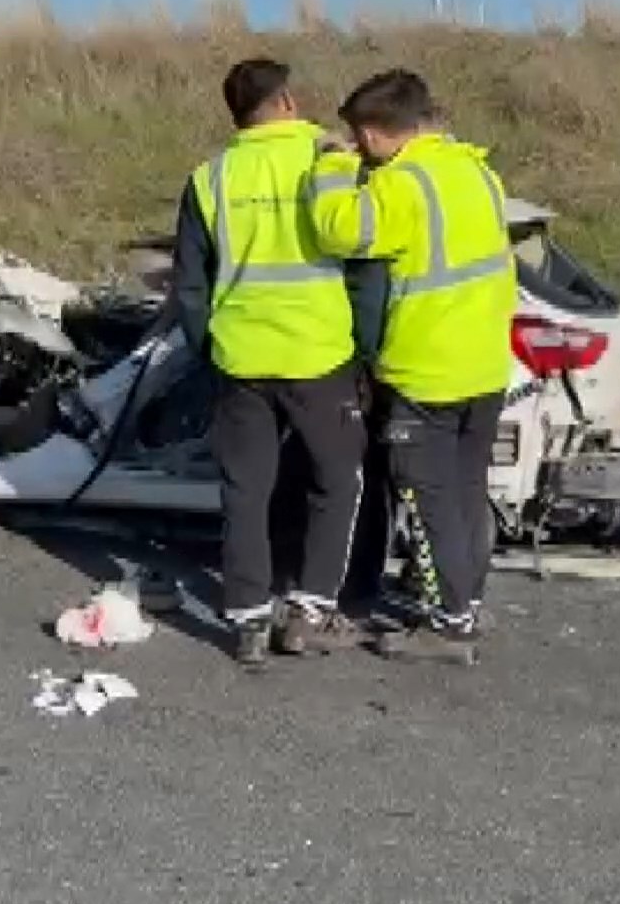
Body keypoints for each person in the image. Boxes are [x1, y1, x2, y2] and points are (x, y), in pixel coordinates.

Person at [308, 69, 517, 662]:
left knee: (428, 503)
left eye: (358, 138)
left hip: (427, 371)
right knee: (466, 492)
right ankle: (466, 602)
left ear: (372, 134)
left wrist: (332, 166)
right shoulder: (478, 172)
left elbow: (339, 231)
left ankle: (448, 626)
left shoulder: (402, 184)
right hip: (484, 367)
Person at [170, 57, 369, 667]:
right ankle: (309, 612)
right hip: (319, 353)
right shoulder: (329, 157)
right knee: (336, 481)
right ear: (287, 100)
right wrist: (367, 347)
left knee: (245, 490)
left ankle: (249, 621)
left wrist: (208, 347)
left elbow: (189, 285)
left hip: (241, 356)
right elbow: (366, 261)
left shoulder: (210, 178)